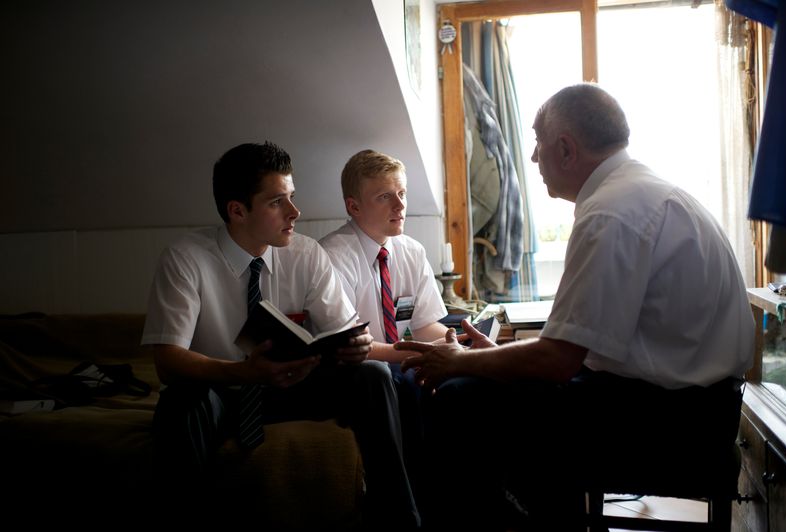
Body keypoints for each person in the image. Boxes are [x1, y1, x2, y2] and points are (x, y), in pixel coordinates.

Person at [397, 84, 755, 531]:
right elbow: (579, 348)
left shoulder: (610, 213)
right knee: (487, 384)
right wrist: (490, 359)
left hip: (665, 424)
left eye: (537, 144)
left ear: (565, 149)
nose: (533, 159)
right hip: (702, 413)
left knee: (458, 398)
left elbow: (556, 361)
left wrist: (466, 362)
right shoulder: (645, 192)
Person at [141, 141, 419, 529]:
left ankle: (401, 522)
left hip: (291, 387)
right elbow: (167, 361)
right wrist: (244, 374)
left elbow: (342, 329)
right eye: (277, 202)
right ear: (237, 211)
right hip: (224, 390)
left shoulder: (305, 254)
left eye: (292, 197)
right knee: (182, 402)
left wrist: (352, 345)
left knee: (373, 375)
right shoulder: (186, 258)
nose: (295, 212)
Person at [318, 149, 450, 510]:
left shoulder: (410, 250)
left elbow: (425, 325)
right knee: (400, 379)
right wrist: (426, 353)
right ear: (354, 207)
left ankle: (469, 495)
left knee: (463, 382)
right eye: (384, 196)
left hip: (398, 360)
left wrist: (455, 342)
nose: (399, 205)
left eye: (402, 194)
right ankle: (414, 505)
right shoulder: (332, 256)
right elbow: (353, 348)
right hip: (356, 371)